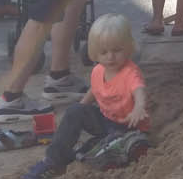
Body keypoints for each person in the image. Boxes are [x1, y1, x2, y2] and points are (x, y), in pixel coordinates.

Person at [22, 14, 147, 179]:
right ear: (95, 53)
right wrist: (79, 110)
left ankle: (86, 153)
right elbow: (95, 91)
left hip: (128, 126)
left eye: (117, 50)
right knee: (75, 111)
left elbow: (139, 89)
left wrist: (139, 107)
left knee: (95, 151)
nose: (110, 57)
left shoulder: (130, 72)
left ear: (128, 48)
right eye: (104, 52)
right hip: (105, 120)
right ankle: (52, 160)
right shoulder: (98, 70)